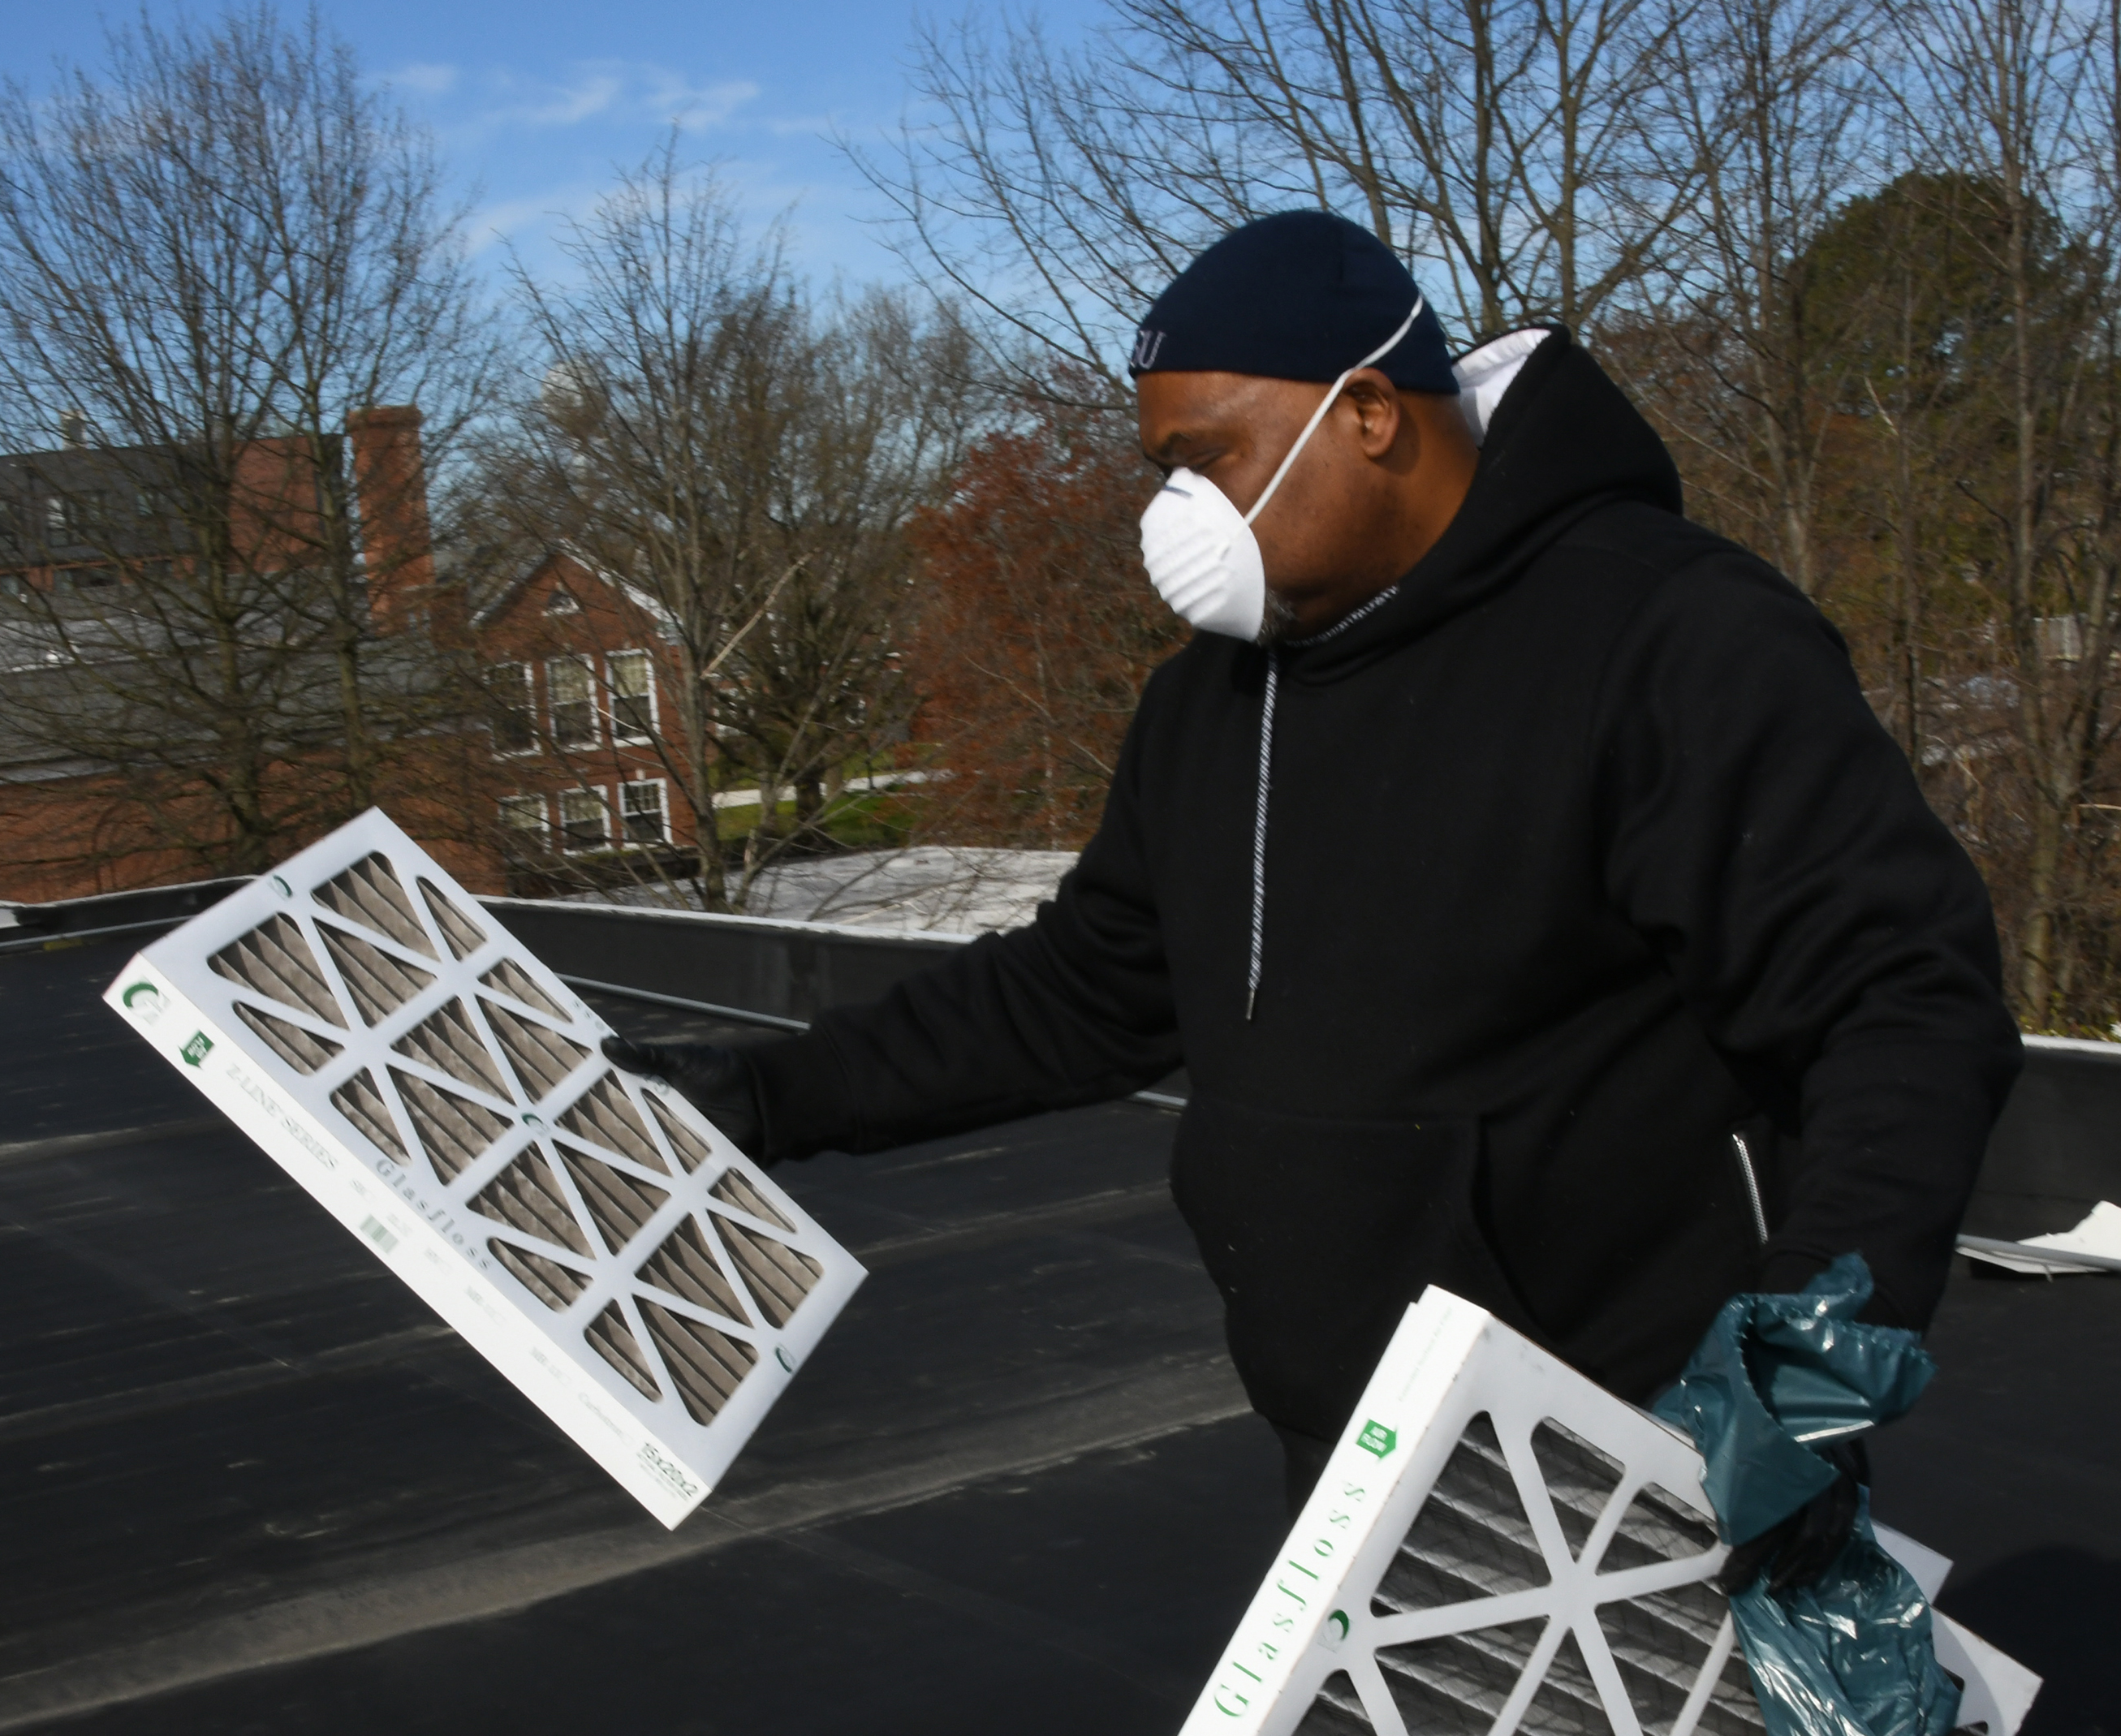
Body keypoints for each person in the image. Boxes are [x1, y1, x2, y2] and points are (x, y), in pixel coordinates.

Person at [611, 211, 2020, 1593]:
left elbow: (1898, 998)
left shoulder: (1665, 635)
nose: (1174, 515)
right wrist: (769, 1097)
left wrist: (1803, 1360)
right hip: (1355, 1448)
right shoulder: (1211, 706)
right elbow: (1085, 991)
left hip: (1642, 1446)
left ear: (1365, 413)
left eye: (1203, 458)